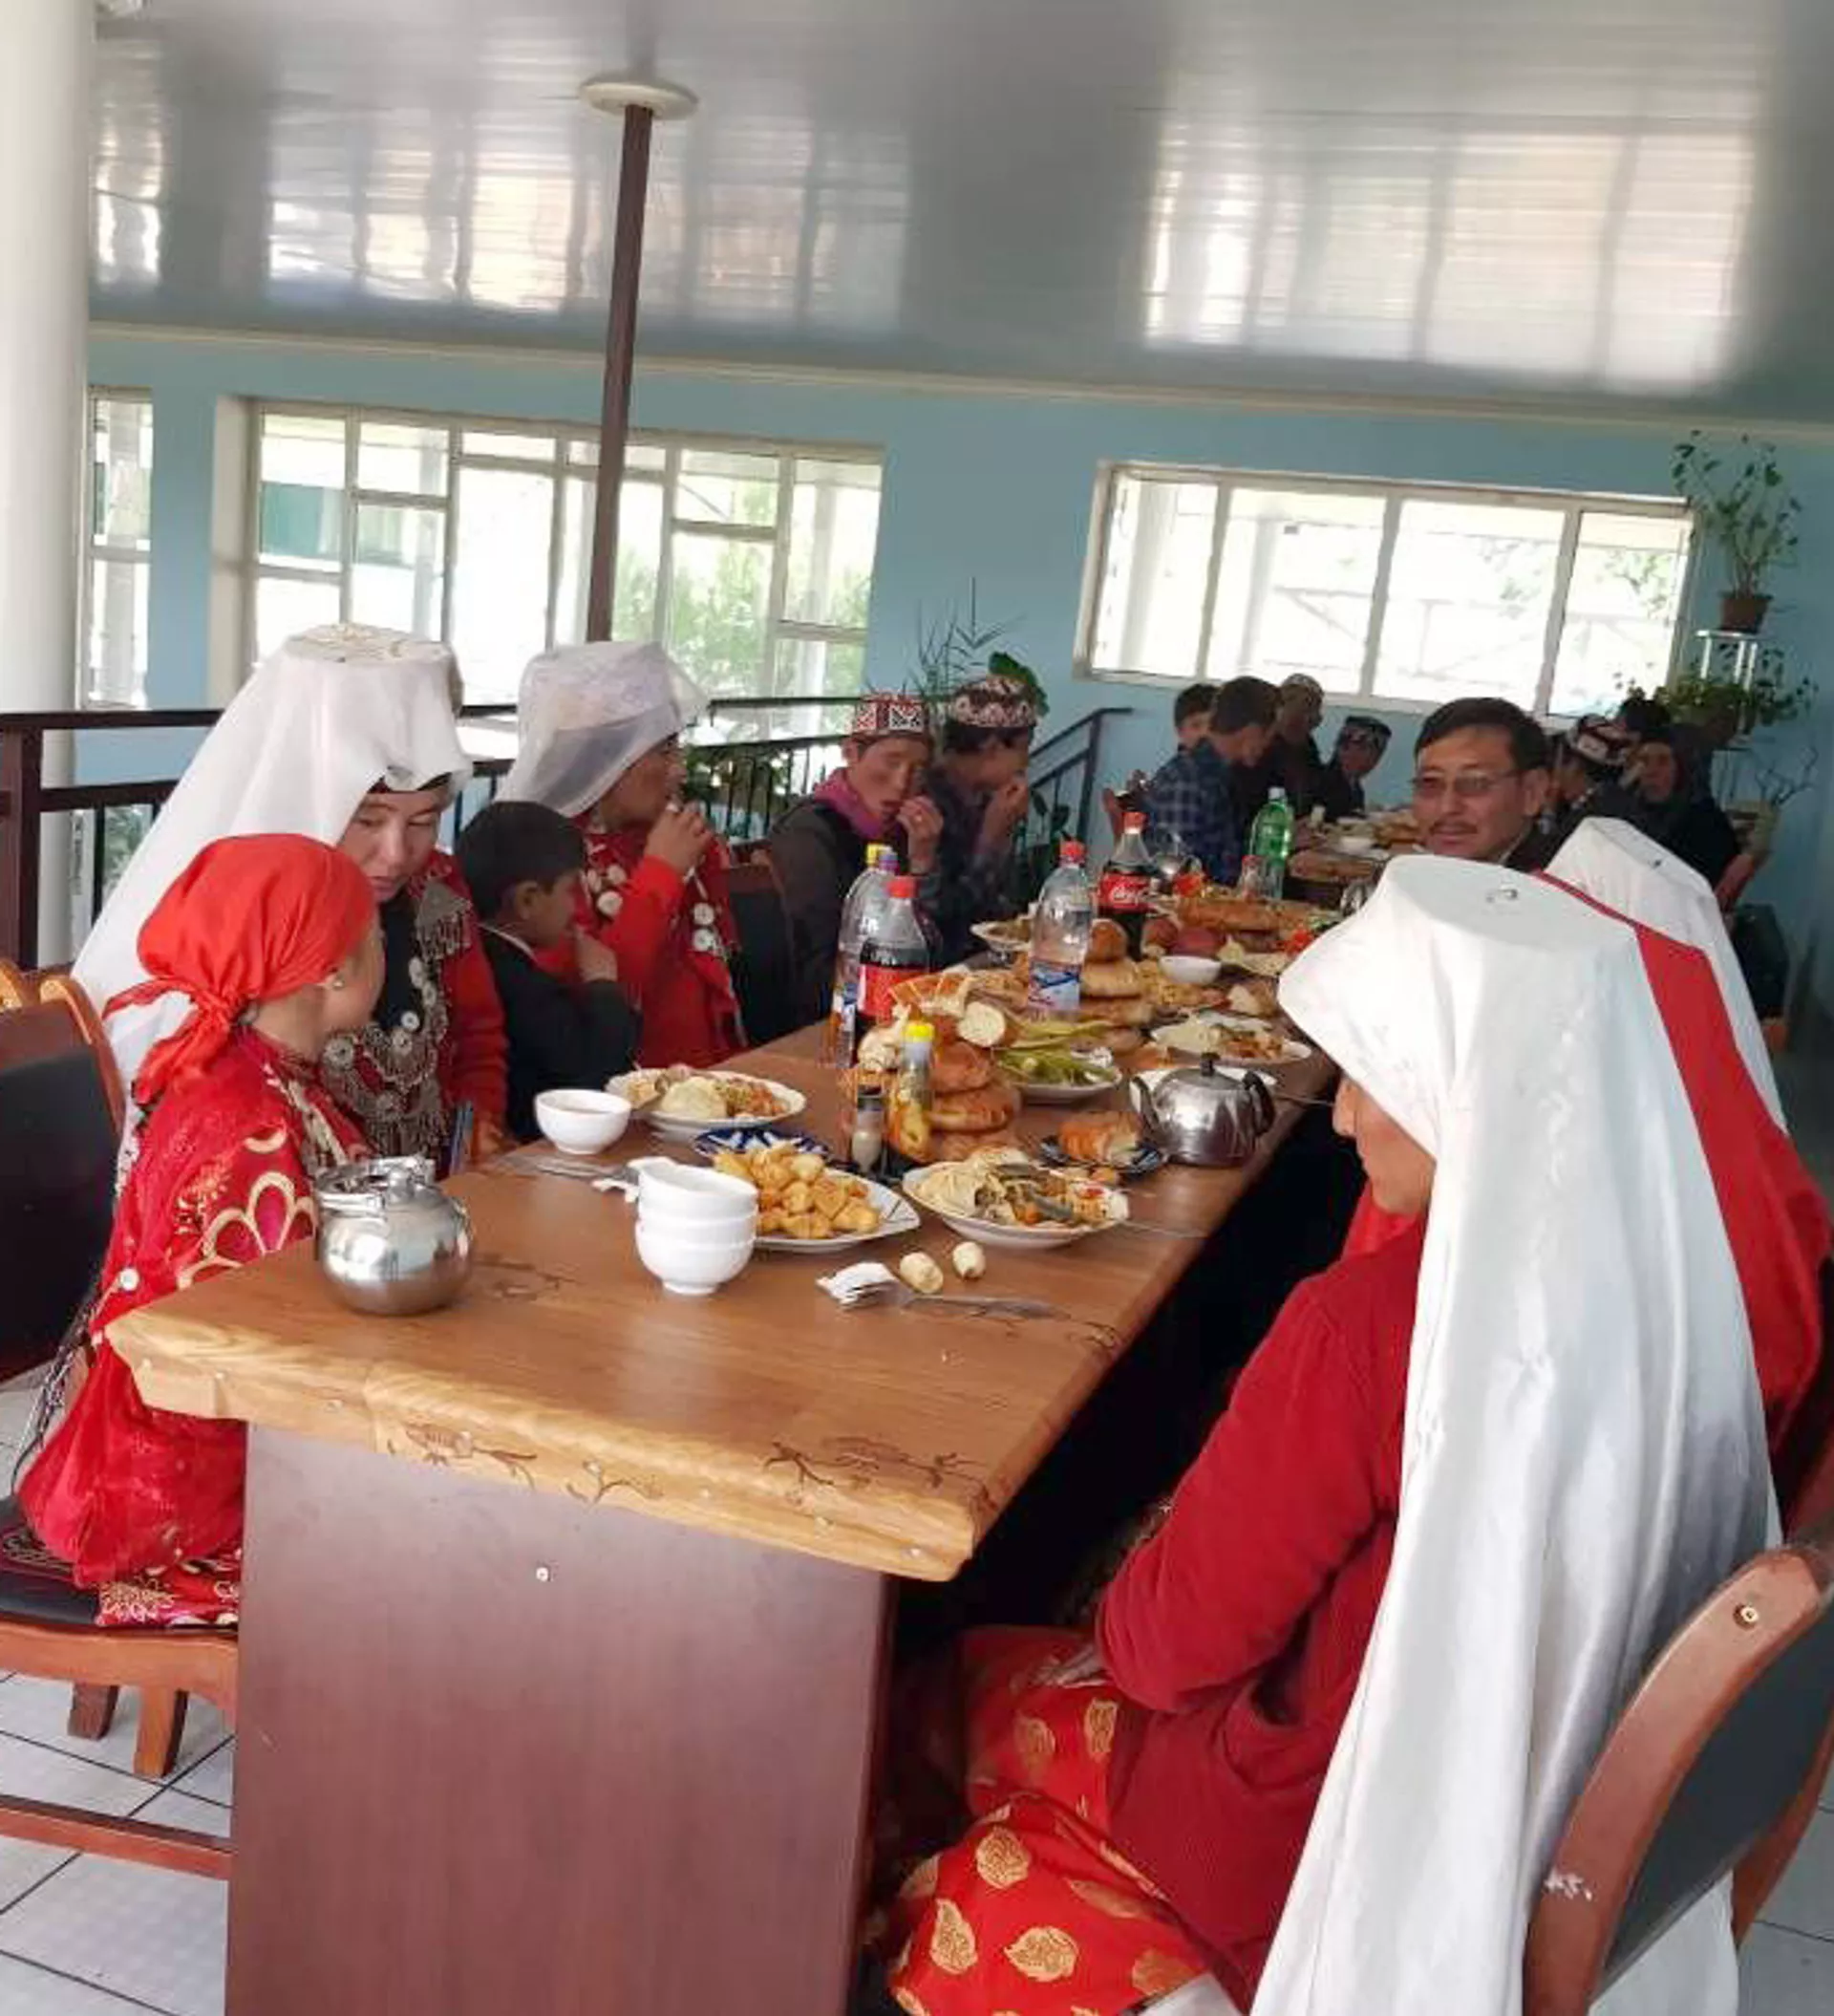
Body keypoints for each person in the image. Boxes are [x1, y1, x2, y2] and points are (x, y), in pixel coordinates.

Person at [873, 857, 1777, 2016]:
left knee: (954, 1678)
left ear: (1470, 1091)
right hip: (1514, 1810)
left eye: (1371, 1078)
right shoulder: (1676, 1299)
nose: (1341, 1114)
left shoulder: (1374, 1326)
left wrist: (1149, 1552)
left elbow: (1164, 1651)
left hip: (1318, 1834)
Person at [20, 836, 381, 1625]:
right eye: (376, 932)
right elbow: (246, 1355)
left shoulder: (251, 1073)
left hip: (171, 1440)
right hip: (174, 1489)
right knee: (417, 1541)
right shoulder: (253, 1124)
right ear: (334, 969)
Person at [73, 624, 508, 1165]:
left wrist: (477, 1123)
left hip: (435, 1184)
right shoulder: (257, 915)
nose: (397, 853)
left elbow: (478, 1033)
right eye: (368, 820)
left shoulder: (436, 887)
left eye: (423, 821)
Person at [502, 642, 743, 1068]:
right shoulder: (546, 858)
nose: (680, 769)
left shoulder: (668, 834)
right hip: (619, 1089)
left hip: (707, 1078)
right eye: (664, 750)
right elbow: (588, 1003)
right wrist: (661, 875)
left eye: (678, 747)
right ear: (606, 759)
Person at [456, 802, 641, 1143]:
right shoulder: (521, 985)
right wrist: (603, 986)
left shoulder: (475, 954)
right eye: (570, 890)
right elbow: (594, 1081)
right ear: (528, 900)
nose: (576, 906)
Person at [766, 693, 937, 1032]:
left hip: (888, 1011)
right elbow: (816, 974)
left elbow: (927, 952)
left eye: (917, 770)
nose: (902, 783)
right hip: (824, 1025)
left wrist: (923, 863)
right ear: (851, 753)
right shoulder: (809, 833)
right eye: (891, 761)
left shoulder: (901, 833)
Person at [918, 672, 1039, 966]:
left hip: (988, 963)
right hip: (938, 971)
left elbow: (999, 914)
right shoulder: (925, 802)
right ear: (992, 748)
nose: (1026, 762)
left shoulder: (987, 799)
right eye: (1023, 748)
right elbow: (938, 919)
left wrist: (1003, 835)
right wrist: (989, 840)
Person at [1141, 676, 1278, 885]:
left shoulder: (1220, 774)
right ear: (1252, 732)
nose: (1269, 745)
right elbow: (1176, 881)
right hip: (1193, 901)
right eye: (1269, 736)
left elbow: (1230, 854)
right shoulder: (1186, 782)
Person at [1411, 695, 1554, 869]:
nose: (1447, 807)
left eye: (1474, 784)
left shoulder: (1551, 880)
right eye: (1430, 783)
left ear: (1532, 792)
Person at [1630, 729, 1743, 891]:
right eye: (1644, 761)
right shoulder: (1625, 811)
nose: (1651, 771)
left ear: (1682, 769)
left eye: (1663, 761)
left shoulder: (1706, 821)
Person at [1236, 674, 1326, 821]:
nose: (1317, 717)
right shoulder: (1261, 746)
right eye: (1308, 706)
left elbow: (1317, 795)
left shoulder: (1308, 748)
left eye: (1315, 708)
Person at [1546, 713, 1634, 848]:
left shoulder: (1586, 822)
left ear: (1574, 766)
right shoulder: (1616, 802)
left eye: (1555, 763)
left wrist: (1548, 811)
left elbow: (1546, 854)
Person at [1310, 713, 1391, 823]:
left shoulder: (1356, 788)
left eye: (1379, 753)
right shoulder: (1320, 782)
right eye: (1364, 748)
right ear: (1343, 747)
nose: (1372, 759)